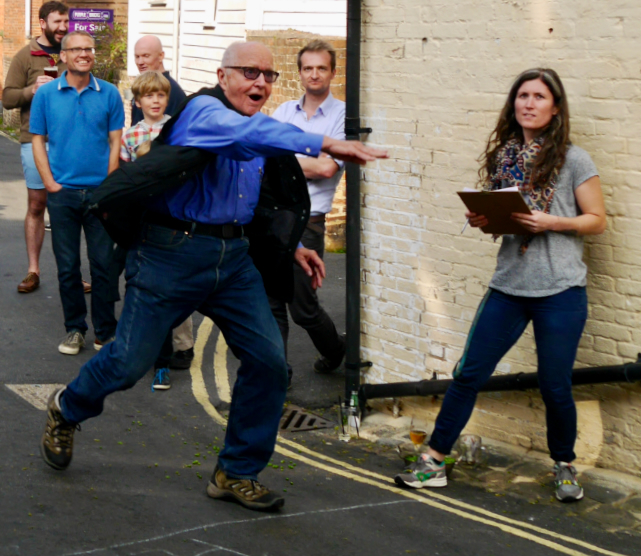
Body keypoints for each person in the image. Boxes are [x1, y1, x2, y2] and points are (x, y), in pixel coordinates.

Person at [39, 40, 387, 513]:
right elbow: (249, 135)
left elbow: (260, 203)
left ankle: (236, 471)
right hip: (170, 254)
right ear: (223, 77)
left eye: (268, 75)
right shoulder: (205, 110)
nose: (260, 82)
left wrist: (295, 247)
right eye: (248, 72)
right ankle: (67, 407)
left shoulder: (254, 129)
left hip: (234, 258)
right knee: (127, 362)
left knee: (268, 363)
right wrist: (326, 141)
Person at [395, 68, 606, 503]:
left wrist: (551, 222)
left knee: (555, 385)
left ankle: (564, 465)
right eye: (522, 96)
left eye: (539, 97)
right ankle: (434, 461)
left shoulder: (574, 159)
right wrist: (483, 218)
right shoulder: (505, 158)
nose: (528, 104)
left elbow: (597, 220)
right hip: (509, 285)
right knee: (468, 374)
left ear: (556, 107)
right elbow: (504, 221)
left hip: (561, 290)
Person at [30, 31, 124, 355]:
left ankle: (105, 332)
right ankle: (75, 329)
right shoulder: (46, 95)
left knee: (103, 265)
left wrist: (109, 185)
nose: (85, 53)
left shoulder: (110, 94)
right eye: (77, 49)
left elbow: (116, 141)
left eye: (89, 49)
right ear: (64, 56)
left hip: (100, 194)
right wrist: (50, 183)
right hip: (63, 194)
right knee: (68, 266)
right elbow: (38, 140)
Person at [269, 40, 346, 388]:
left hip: (309, 223)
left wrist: (286, 162)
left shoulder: (343, 115)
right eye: (308, 68)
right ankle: (277, 373)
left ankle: (336, 351)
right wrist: (304, 163)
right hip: (274, 219)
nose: (314, 74)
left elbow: (328, 168)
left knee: (303, 307)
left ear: (332, 71)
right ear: (299, 72)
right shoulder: (283, 111)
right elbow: (265, 162)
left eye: (321, 68)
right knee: (271, 302)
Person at [119, 70, 185, 390]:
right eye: (149, 96)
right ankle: (135, 357)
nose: (156, 101)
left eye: (161, 95)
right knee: (139, 289)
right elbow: (126, 178)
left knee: (169, 294)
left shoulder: (179, 128)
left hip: (174, 221)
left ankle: (163, 364)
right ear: (139, 100)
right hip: (143, 222)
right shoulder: (130, 136)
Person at [131, 35, 194, 368]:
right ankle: (157, 342)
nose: (141, 60)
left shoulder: (173, 95)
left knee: (175, 280)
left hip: (171, 207)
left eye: (147, 55)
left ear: (161, 56)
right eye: (137, 55)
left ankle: (182, 346)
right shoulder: (141, 90)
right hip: (147, 206)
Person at [2, 1, 69, 294]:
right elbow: (7, 98)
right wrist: (32, 90)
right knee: (36, 205)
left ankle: (71, 273)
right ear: (42, 23)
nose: (64, 27)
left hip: (70, 142)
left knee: (68, 209)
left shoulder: (73, 53)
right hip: (35, 140)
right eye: (58, 22)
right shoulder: (25, 56)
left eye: (66, 22)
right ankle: (33, 271)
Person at [131, 35, 187, 125]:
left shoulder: (171, 91)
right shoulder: (142, 86)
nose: (140, 62)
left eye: (146, 56)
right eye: (137, 57)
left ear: (161, 56)